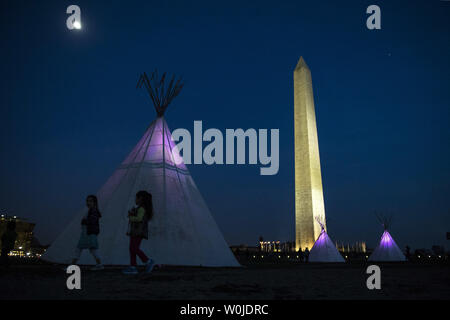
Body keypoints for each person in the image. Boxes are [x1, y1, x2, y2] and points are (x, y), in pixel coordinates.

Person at [122, 190, 155, 275]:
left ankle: (148, 261)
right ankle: (133, 266)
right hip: (135, 231)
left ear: (140, 199)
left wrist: (131, 217)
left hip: (138, 231)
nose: (135, 200)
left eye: (136, 198)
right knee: (132, 248)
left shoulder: (141, 209)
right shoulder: (139, 209)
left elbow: (139, 219)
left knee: (134, 248)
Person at [70, 195, 104, 270]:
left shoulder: (93, 211)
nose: (88, 202)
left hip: (89, 233)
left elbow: (92, 221)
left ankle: (100, 265)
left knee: (84, 249)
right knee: (88, 249)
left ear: (94, 202)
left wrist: (84, 221)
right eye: (87, 201)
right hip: (87, 232)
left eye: (90, 201)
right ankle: (99, 264)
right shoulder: (91, 210)